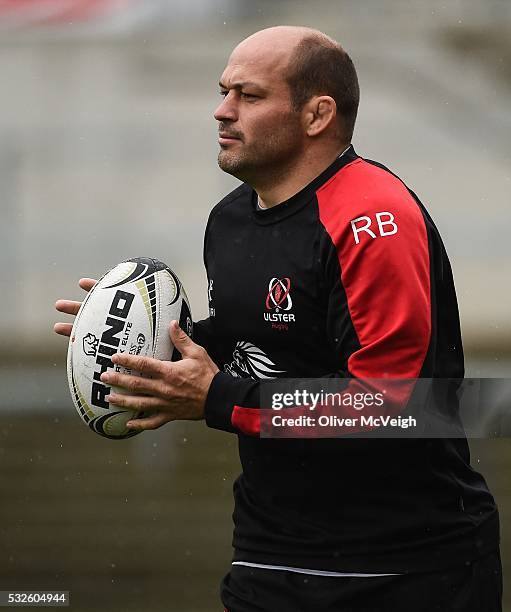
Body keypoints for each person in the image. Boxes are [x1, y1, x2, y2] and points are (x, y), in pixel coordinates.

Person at [55, 26, 502, 612]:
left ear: (317, 115)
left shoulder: (374, 219)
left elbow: (398, 404)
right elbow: (263, 341)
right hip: (269, 556)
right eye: (223, 92)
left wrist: (217, 399)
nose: (222, 112)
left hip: (404, 566)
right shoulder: (230, 219)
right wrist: (151, 350)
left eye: (249, 95)